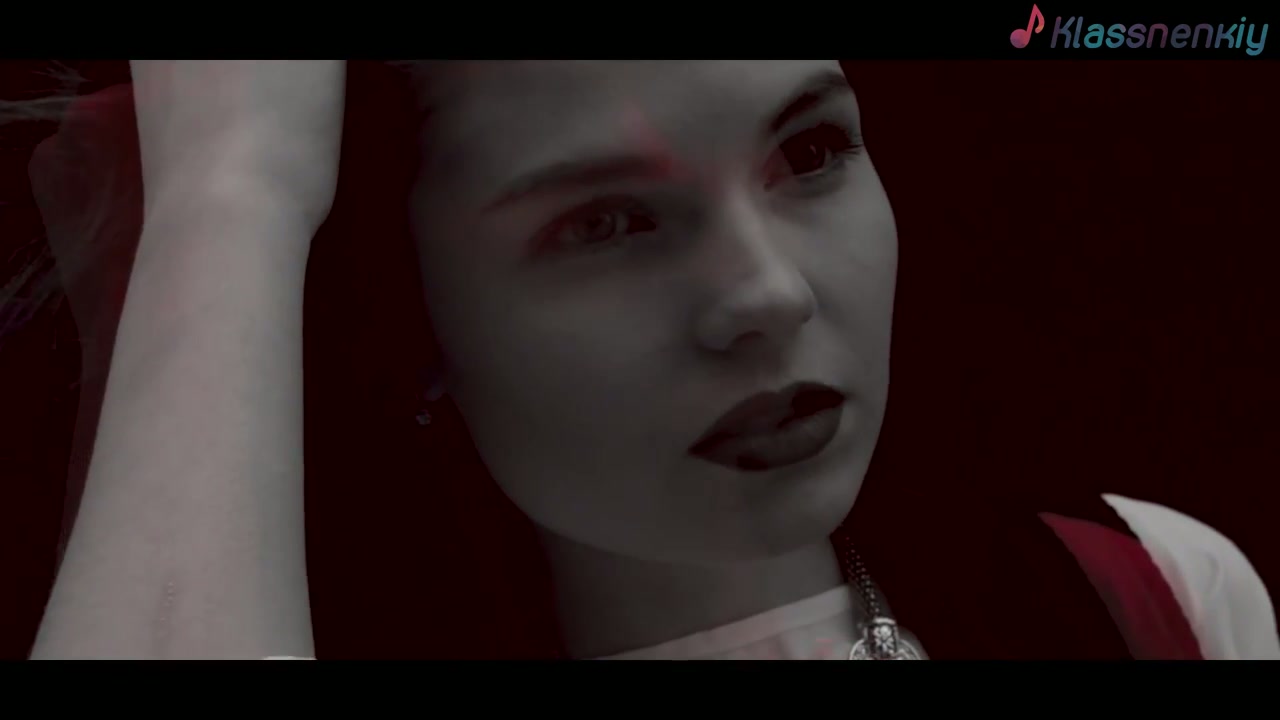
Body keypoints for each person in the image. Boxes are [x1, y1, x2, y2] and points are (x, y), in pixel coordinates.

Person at [4, 60, 1277, 660]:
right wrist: (232, 196)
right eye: (605, 222)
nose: (766, 294)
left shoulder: (1148, 598)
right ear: (417, 320)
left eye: (809, 153)